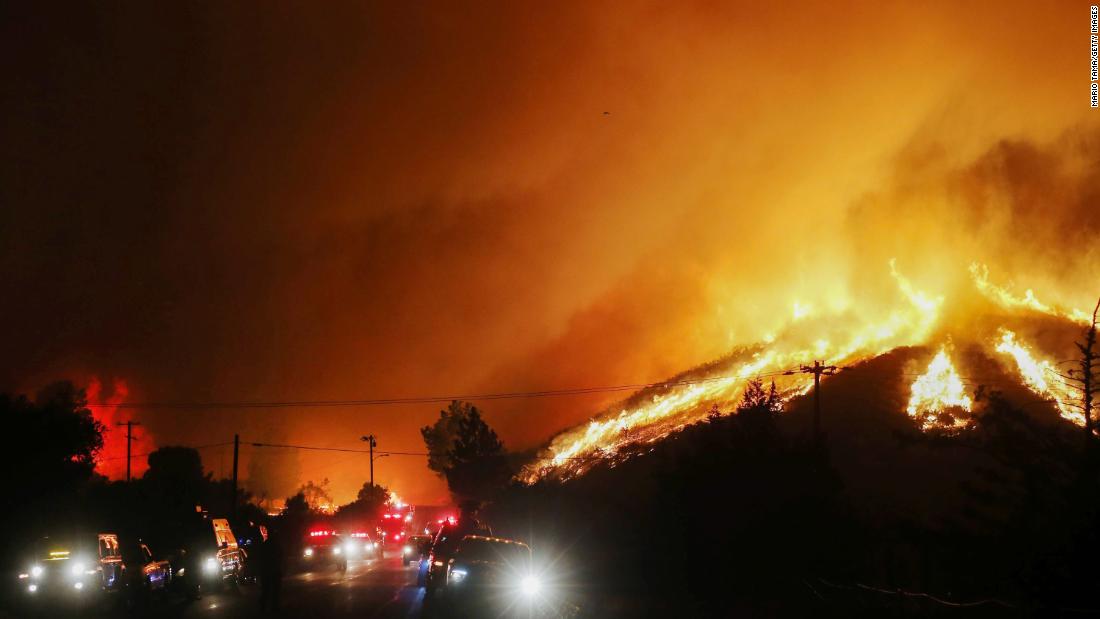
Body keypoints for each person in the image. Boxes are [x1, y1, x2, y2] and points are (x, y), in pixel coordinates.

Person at [258, 529, 284, 613]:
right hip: (273, 570)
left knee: (266, 590)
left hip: (267, 571)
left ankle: (264, 608)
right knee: (274, 591)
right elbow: (280, 557)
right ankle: (274, 607)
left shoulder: (265, 545)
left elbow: (261, 558)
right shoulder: (276, 545)